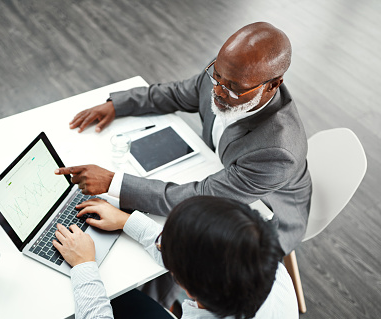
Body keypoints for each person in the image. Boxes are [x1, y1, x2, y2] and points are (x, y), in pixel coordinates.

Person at [55, 22, 312, 257]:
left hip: (263, 223)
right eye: (217, 77)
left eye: (233, 88)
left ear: (273, 85)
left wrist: (113, 182)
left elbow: (202, 197)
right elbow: (178, 94)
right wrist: (118, 105)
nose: (219, 91)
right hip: (221, 173)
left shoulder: (277, 151)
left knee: (173, 252)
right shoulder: (226, 71)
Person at [46, 196, 298, 319]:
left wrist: (84, 265)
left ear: (188, 289)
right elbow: (205, 249)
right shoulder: (266, 260)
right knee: (122, 298)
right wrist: (126, 220)